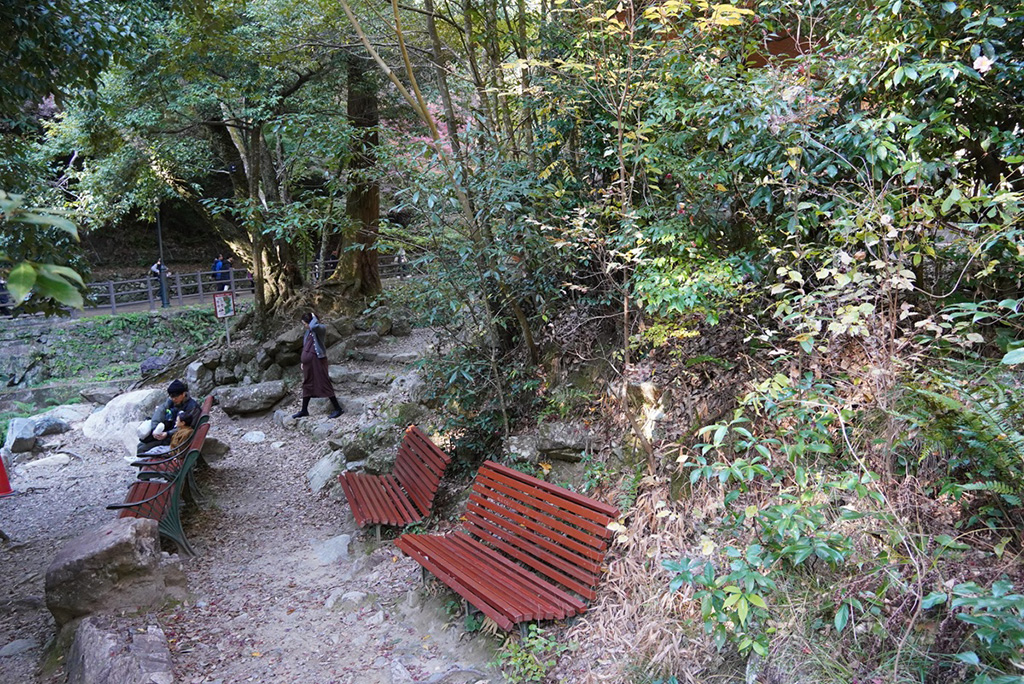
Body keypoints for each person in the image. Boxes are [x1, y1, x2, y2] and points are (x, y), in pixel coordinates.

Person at [293, 311, 343, 419]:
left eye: (305, 323)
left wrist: (314, 317)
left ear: (311, 322)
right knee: (307, 384)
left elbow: (314, 326)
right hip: (308, 364)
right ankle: (304, 410)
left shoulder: (320, 329)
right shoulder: (307, 332)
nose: (305, 326)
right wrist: (303, 361)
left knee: (324, 382)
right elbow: (306, 346)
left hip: (318, 361)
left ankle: (338, 408)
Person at [137, 380, 201, 454]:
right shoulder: (172, 401)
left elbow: (187, 429)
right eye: (172, 397)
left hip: (177, 438)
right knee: (141, 444)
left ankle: (145, 464)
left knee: (142, 448)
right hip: (168, 431)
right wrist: (155, 428)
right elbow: (161, 410)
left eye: (176, 397)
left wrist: (167, 434)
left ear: (183, 394)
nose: (174, 399)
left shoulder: (192, 408)